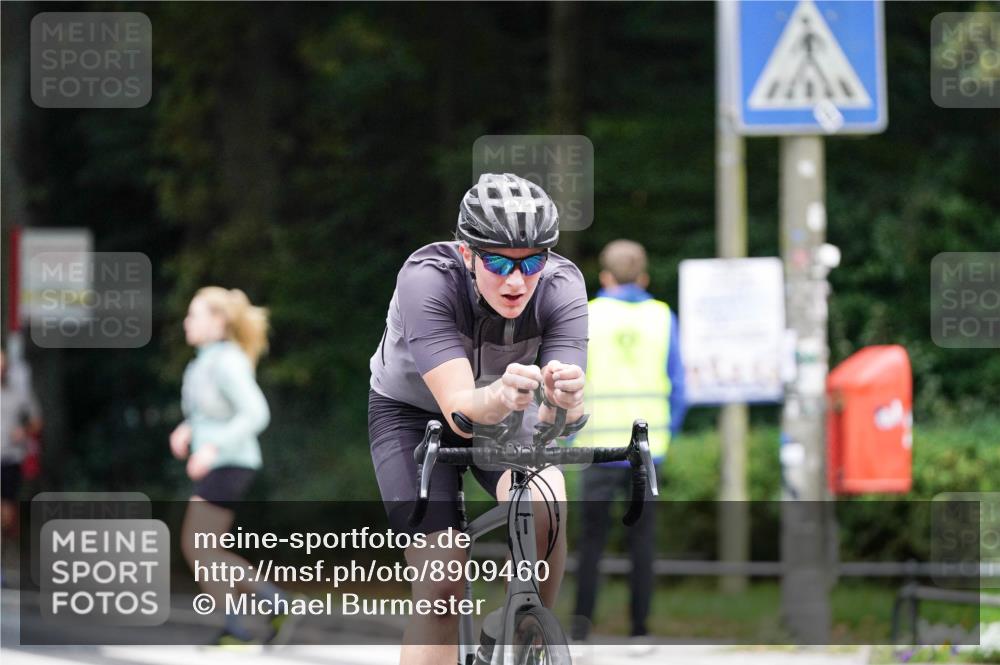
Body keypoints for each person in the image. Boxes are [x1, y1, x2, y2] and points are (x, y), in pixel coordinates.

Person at [369, 173, 588, 665]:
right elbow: (462, 411)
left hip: (508, 406)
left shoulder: (562, 284)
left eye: (532, 262)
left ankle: (527, 634)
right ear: (467, 253)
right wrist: (505, 395)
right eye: (497, 262)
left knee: (547, 499)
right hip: (413, 412)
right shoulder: (426, 277)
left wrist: (564, 399)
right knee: (442, 578)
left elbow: (560, 417)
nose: (516, 280)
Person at [570, 239, 686, 654]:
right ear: (644, 277)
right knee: (642, 545)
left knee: (590, 546)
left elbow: (571, 377)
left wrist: (566, 435)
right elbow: (679, 385)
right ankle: (639, 632)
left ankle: (580, 633)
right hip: (645, 453)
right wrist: (667, 435)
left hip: (597, 449)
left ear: (604, 277)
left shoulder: (587, 314)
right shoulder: (662, 317)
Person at [169, 287, 292, 646]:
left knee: (197, 543)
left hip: (231, 463)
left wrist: (210, 447)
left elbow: (256, 413)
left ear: (218, 322)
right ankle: (256, 611)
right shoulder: (203, 361)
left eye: (194, 315)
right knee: (202, 546)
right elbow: (206, 411)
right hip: (220, 464)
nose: (186, 322)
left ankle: (246, 618)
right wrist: (186, 429)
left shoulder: (228, 361)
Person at [1, 347, 43, 585]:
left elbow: (37, 421)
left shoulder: (18, 393)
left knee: (6, 516)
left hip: (10, 459)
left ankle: (6, 560)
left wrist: (23, 431)